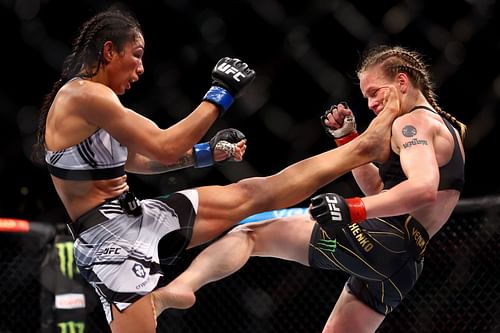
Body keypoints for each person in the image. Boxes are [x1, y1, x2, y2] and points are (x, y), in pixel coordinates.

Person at [33, 5, 400, 332]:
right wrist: (219, 94)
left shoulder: (96, 105)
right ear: (109, 51)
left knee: (251, 194)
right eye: (137, 55)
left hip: (137, 216)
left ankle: (358, 150)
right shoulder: (85, 95)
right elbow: (164, 144)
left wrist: (208, 154)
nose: (141, 68)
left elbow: (142, 160)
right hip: (111, 245)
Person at [155, 45, 467, 333]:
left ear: (402, 81)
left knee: (250, 231)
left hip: (379, 240)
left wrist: (351, 209)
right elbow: (385, 192)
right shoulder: (445, 129)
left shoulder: (411, 124)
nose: (371, 104)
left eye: (375, 92)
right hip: (401, 268)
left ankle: (179, 288)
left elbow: (423, 188)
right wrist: (348, 139)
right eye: (367, 97)